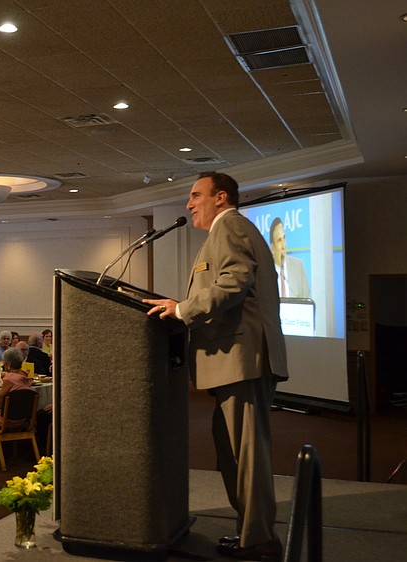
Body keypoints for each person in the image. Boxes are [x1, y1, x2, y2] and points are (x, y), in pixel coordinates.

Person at [144, 171, 288, 561]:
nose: (189, 204)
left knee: (247, 457)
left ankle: (260, 541)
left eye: (196, 196)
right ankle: (250, 534)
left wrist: (182, 309)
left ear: (220, 197)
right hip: (234, 362)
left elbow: (233, 282)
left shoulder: (230, 226)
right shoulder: (228, 230)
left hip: (242, 360)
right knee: (234, 455)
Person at [269, 217, 310, 299]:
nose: (283, 245)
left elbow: (307, 299)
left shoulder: (298, 266)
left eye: (284, 238)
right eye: (279, 240)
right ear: (272, 248)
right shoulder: (266, 272)